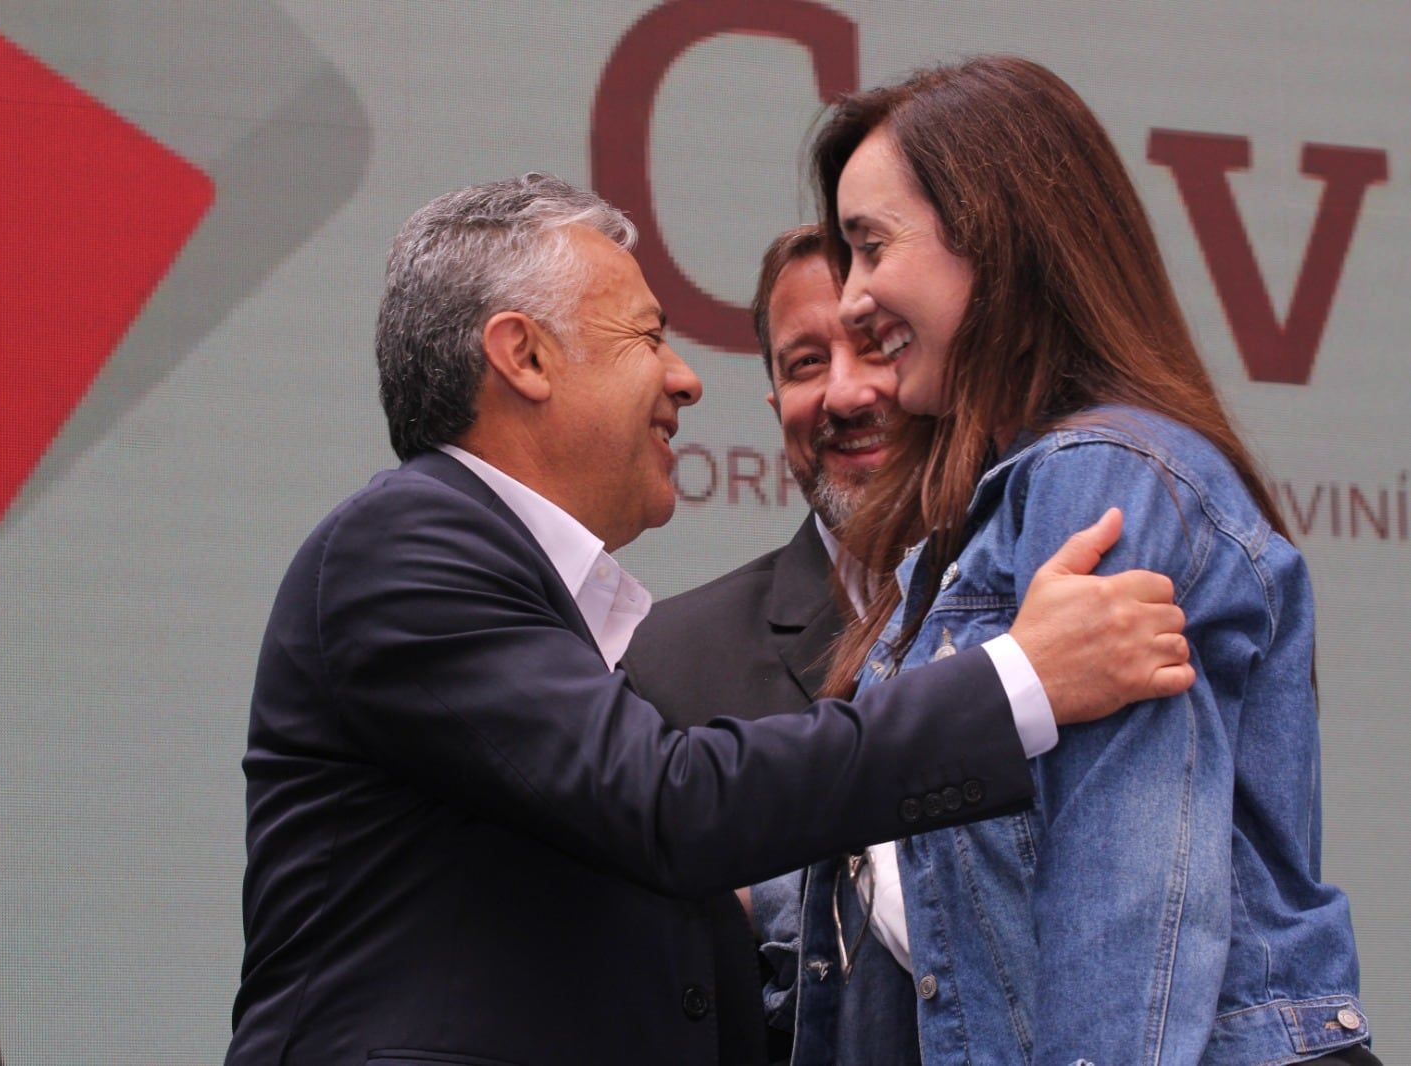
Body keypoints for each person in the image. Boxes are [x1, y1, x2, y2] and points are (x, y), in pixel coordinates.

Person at [225, 174, 1196, 1065]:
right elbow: (672, 805)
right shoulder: (407, 543)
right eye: (647, 337)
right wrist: (1019, 680)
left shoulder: (521, 601)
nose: (686, 379)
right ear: (524, 356)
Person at [765, 57, 1376, 1065]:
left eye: (871, 248)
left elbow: (1127, 900)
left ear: (993, 234)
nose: (856, 297)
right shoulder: (987, 514)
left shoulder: (1100, 476)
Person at [623, 224, 917, 1061]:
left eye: (877, 347)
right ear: (775, 404)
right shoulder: (663, 666)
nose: (844, 395)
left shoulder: (1067, 614)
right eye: (806, 364)